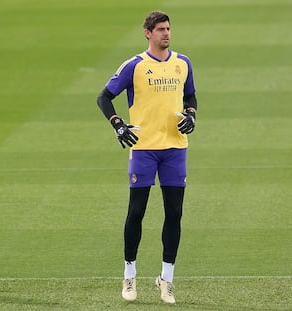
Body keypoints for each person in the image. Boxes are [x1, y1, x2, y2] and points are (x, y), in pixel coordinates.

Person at [96, 11, 198, 304]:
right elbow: (104, 97)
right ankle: (129, 275)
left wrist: (192, 115)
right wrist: (118, 124)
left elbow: (190, 96)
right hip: (143, 148)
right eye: (161, 29)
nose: (167, 33)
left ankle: (166, 279)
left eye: (168, 29)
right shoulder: (135, 66)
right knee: (136, 212)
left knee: (174, 213)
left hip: (175, 149)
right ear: (147, 33)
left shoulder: (183, 63)